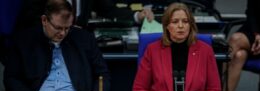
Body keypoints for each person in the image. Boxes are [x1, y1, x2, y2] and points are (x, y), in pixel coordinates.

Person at [4, 0, 110, 91]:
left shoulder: (85, 39)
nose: (62, 33)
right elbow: (11, 79)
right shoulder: (24, 41)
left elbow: (103, 73)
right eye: (58, 28)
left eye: (67, 28)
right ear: (44, 20)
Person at [132, 2, 221, 91]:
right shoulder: (153, 50)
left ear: (190, 25)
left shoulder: (205, 50)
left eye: (185, 21)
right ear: (167, 26)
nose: (180, 26)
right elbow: (138, 90)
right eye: (175, 22)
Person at [13, 0, 154, 31]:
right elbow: (28, 19)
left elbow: (108, 9)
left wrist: (137, 16)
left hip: (79, 40)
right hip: (46, 42)